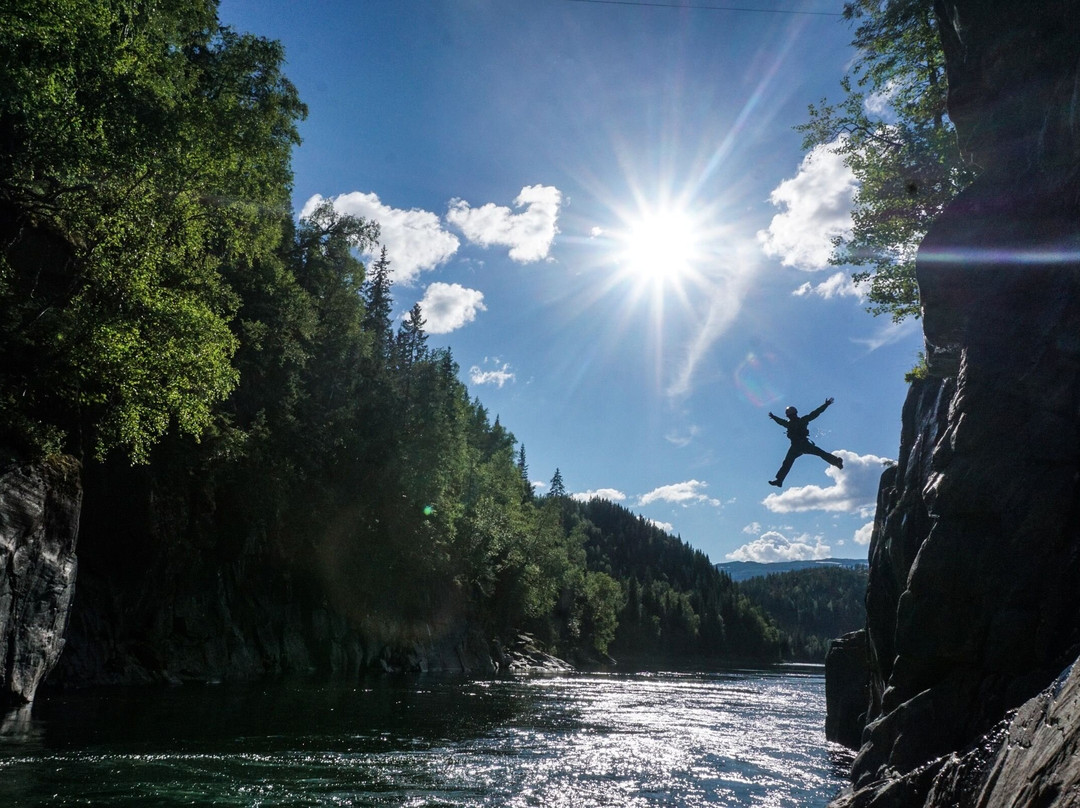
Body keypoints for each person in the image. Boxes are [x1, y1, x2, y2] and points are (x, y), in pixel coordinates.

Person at [767, 397, 843, 487]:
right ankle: (779, 480)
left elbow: (815, 413)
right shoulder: (797, 421)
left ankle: (779, 480)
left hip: (800, 445)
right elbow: (815, 413)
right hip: (798, 446)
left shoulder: (794, 422)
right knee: (789, 462)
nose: (791, 417)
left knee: (788, 462)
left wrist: (826, 405)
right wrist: (826, 404)